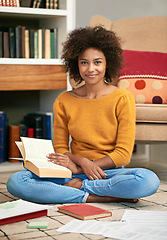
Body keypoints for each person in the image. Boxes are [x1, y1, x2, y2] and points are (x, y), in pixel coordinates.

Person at [7, 26, 160, 204]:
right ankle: (95, 196)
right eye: (84, 62)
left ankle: (79, 189)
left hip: (108, 172)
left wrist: (86, 169)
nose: (90, 69)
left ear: (107, 63)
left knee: (147, 180)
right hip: (71, 169)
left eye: (97, 62)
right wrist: (80, 164)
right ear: (76, 64)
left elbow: (123, 154)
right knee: (17, 182)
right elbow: (61, 148)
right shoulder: (64, 100)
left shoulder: (122, 98)